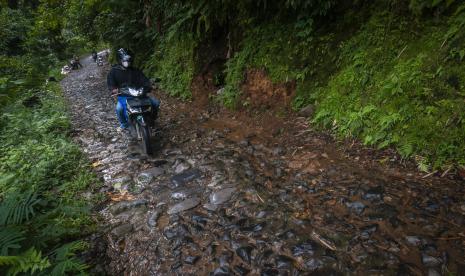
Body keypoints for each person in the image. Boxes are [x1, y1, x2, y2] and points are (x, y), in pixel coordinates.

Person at [107, 48, 160, 132]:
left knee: (155, 103)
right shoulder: (113, 72)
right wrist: (114, 89)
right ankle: (124, 124)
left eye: (129, 60)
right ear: (120, 60)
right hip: (124, 96)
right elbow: (111, 85)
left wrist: (150, 85)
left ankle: (151, 121)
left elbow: (144, 80)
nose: (127, 62)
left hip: (139, 94)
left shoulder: (136, 71)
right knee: (119, 109)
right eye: (125, 61)